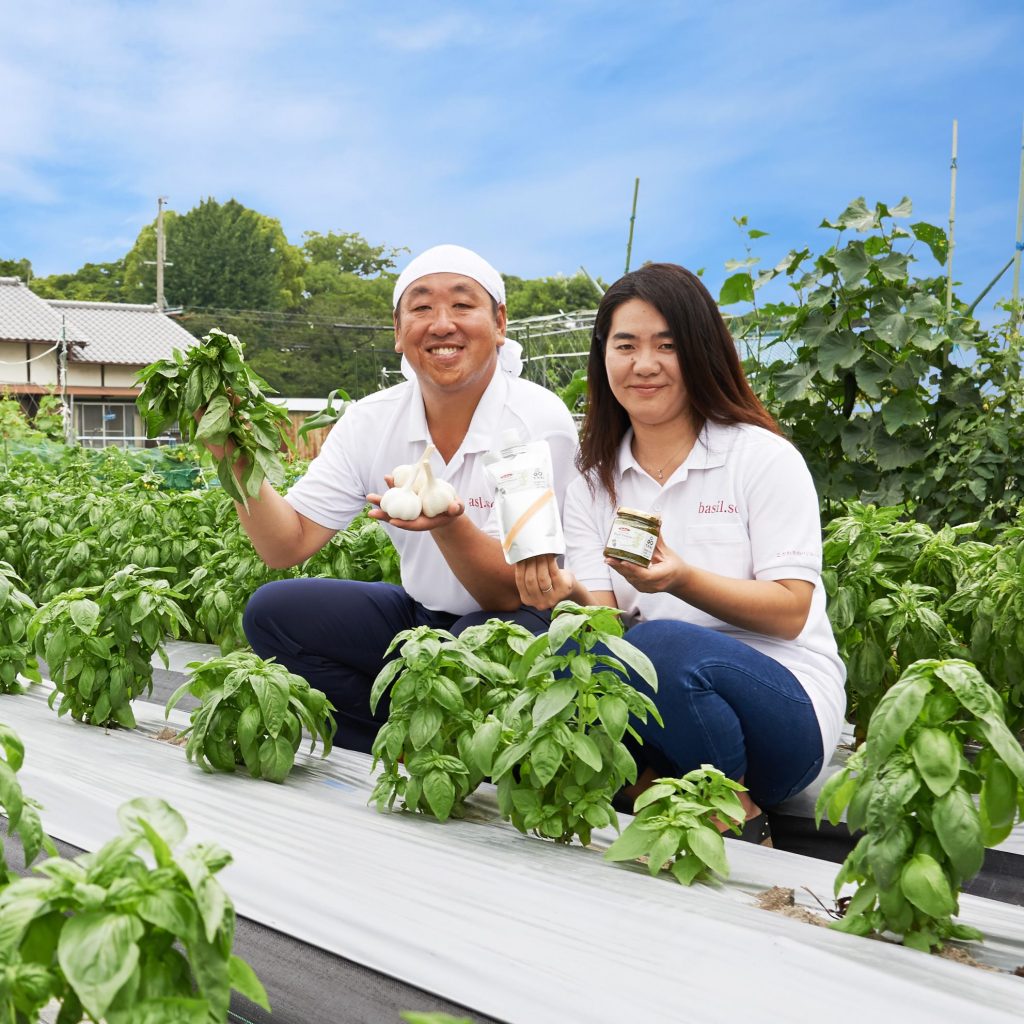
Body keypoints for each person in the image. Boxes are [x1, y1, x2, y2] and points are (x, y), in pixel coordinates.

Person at [514, 263, 846, 844]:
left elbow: (792, 610)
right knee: (566, 650)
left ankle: (734, 812)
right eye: (626, 345)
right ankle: (651, 786)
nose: (644, 364)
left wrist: (683, 579)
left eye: (666, 345)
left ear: (700, 352)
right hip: (667, 707)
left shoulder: (760, 458)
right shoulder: (594, 484)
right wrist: (564, 594)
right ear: (604, 358)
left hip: (783, 714)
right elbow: (607, 623)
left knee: (659, 645)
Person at [223, 245, 579, 753]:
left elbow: (515, 594)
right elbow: (286, 545)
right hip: (424, 619)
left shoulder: (533, 422)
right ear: (398, 331)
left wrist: (448, 524)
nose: (441, 324)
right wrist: (234, 456)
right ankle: (409, 744)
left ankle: (465, 747)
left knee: (485, 648)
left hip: (525, 620)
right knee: (273, 613)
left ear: (500, 323)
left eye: (462, 305)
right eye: (421, 307)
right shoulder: (372, 421)